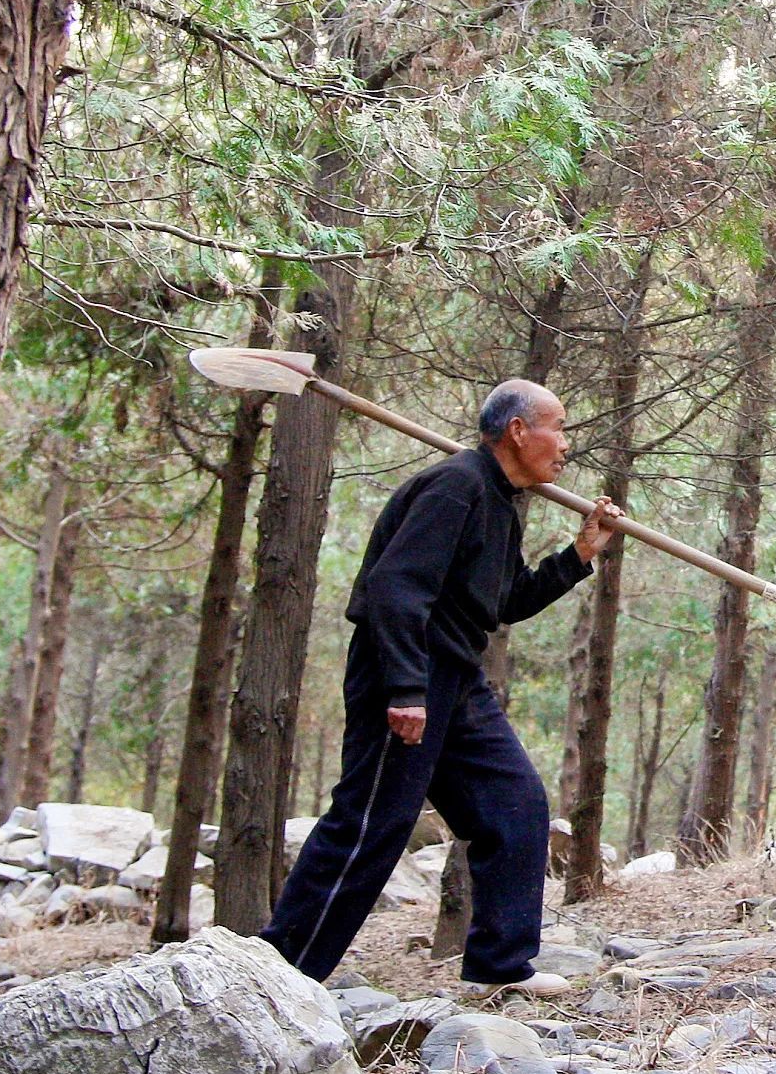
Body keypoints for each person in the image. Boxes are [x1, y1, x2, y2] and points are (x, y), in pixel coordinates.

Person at [261, 378, 621, 999]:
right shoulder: (454, 487)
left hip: (457, 678)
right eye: (557, 429)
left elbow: (504, 601)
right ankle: (279, 973)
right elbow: (394, 591)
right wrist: (405, 689)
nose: (564, 446)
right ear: (517, 431)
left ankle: (499, 966)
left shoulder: (498, 501)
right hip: (406, 670)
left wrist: (579, 554)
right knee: (371, 824)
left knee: (515, 806)